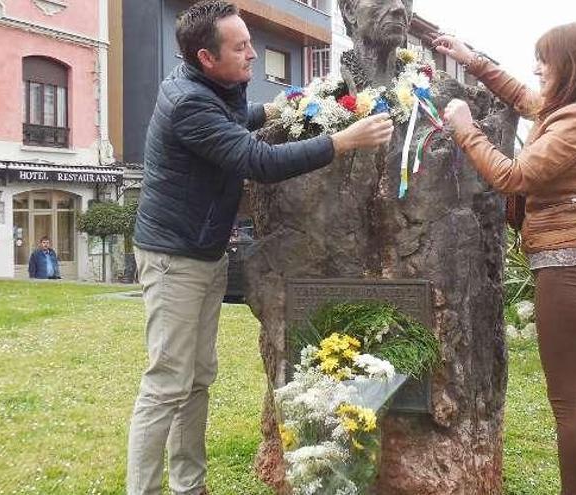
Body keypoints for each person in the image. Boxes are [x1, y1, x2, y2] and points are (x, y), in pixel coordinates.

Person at [127, 1, 394, 494]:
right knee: (167, 382)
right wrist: (344, 140)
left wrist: (288, 104)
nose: (253, 53)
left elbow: (239, 117)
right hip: (174, 258)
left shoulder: (215, 85)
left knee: (198, 377)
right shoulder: (189, 101)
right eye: (242, 46)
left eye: (250, 41)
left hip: (202, 251)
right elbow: (258, 160)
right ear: (207, 58)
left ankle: (190, 485)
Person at [434, 22, 576, 495]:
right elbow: (523, 96)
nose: (537, 68)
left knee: (568, 403)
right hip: (575, 265)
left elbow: (515, 176)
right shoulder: (573, 111)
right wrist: (472, 59)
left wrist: (465, 129)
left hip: (570, 269)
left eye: (546, 60)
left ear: (573, 66)